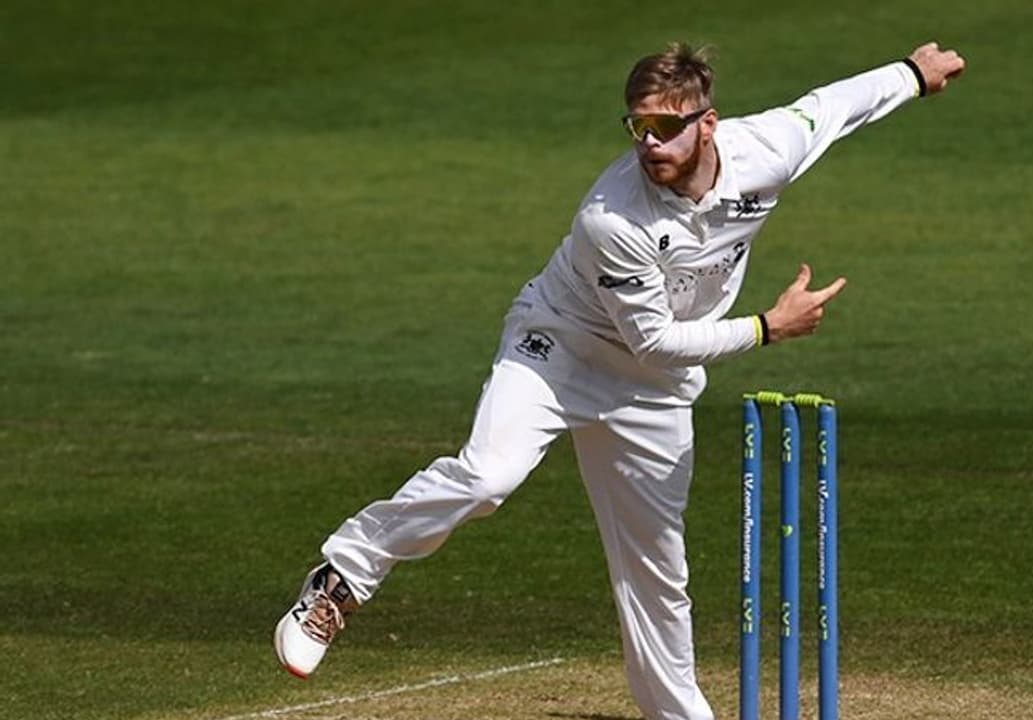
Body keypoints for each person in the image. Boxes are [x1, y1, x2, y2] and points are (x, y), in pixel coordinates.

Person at [274, 40, 965, 719]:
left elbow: (833, 108)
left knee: (657, 571)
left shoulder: (766, 149)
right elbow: (657, 339)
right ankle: (343, 578)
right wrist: (766, 328)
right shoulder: (613, 218)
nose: (650, 143)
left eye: (666, 127)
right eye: (638, 127)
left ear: (708, 123)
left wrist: (911, 74)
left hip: (654, 391)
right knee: (489, 477)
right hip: (561, 350)